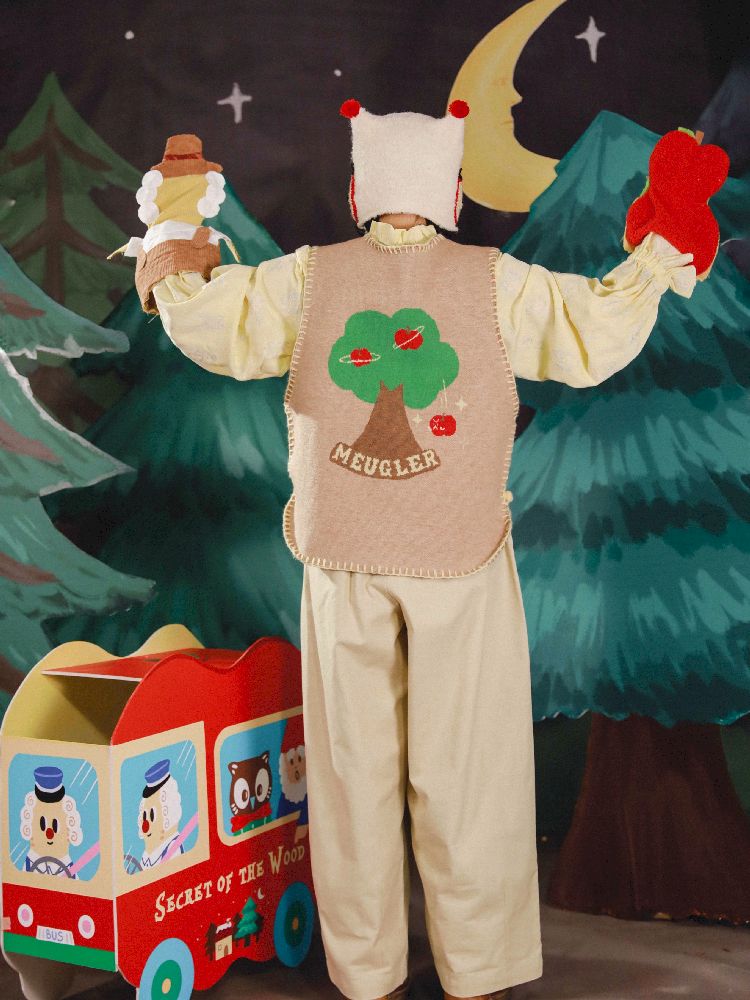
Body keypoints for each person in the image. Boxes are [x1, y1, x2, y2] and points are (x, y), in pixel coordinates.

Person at [121, 102, 696, 1000]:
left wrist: (172, 238)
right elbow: (591, 330)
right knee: (465, 769)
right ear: (452, 198)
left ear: (358, 194)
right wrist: (656, 257)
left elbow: (212, 323)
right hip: (458, 549)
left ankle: (366, 972)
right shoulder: (495, 281)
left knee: (350, 773)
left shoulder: (308, 277)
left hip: (342, 553)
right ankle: (479, 970)